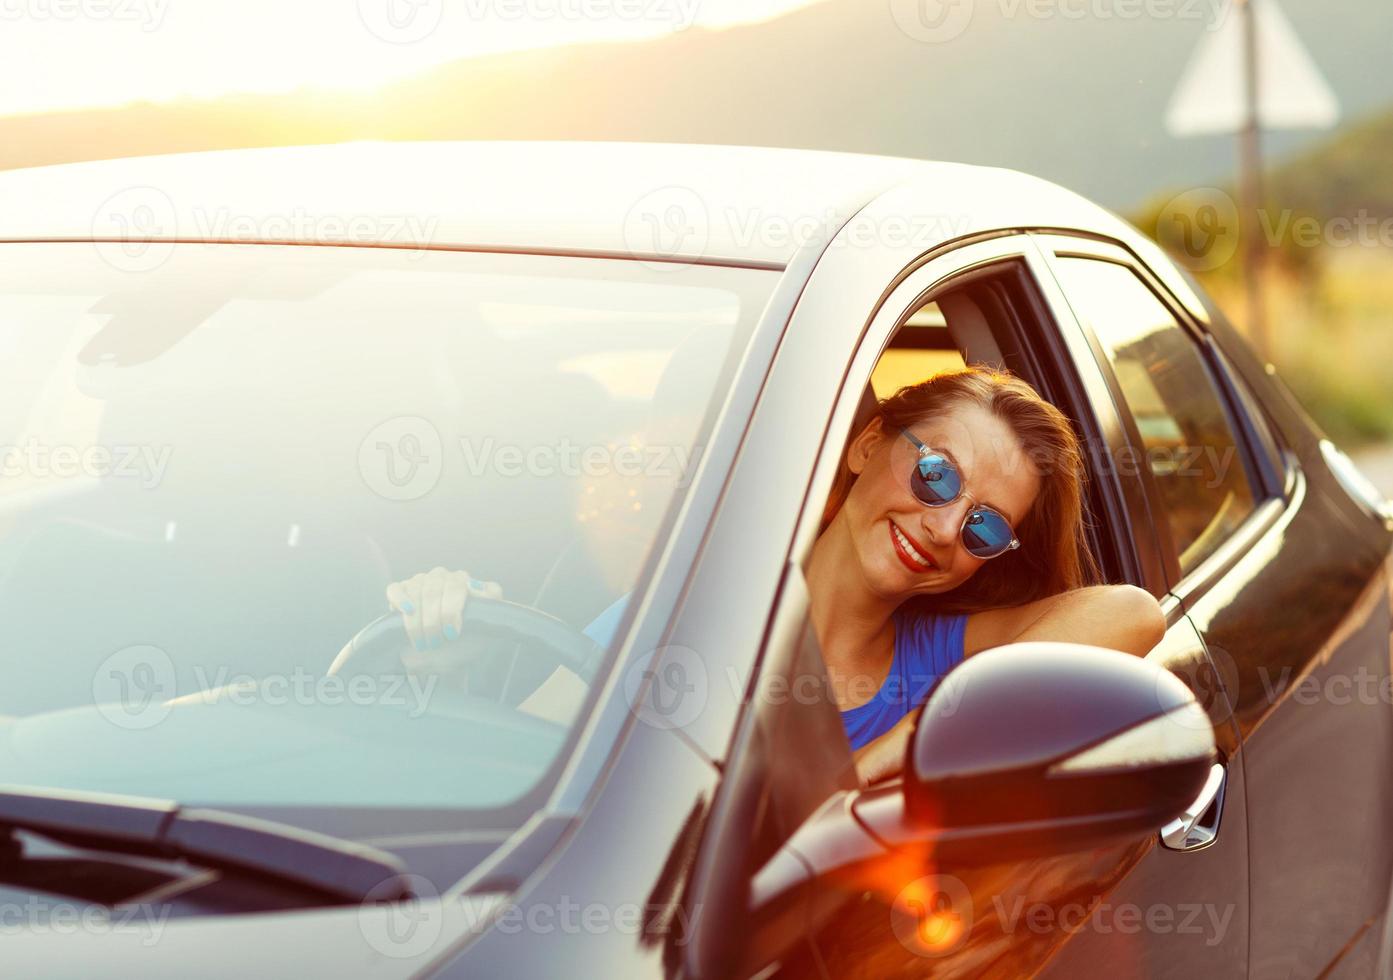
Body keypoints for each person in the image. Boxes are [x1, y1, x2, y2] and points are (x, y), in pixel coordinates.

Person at [387, 367, 1165, 781]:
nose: (940, 526)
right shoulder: (685, 608)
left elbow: (1129, 611)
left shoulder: (947, 659)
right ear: (866, 447)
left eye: (984, 526)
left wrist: (887, 758)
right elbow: (516, 761)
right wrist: (442, 673)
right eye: (934, 475)